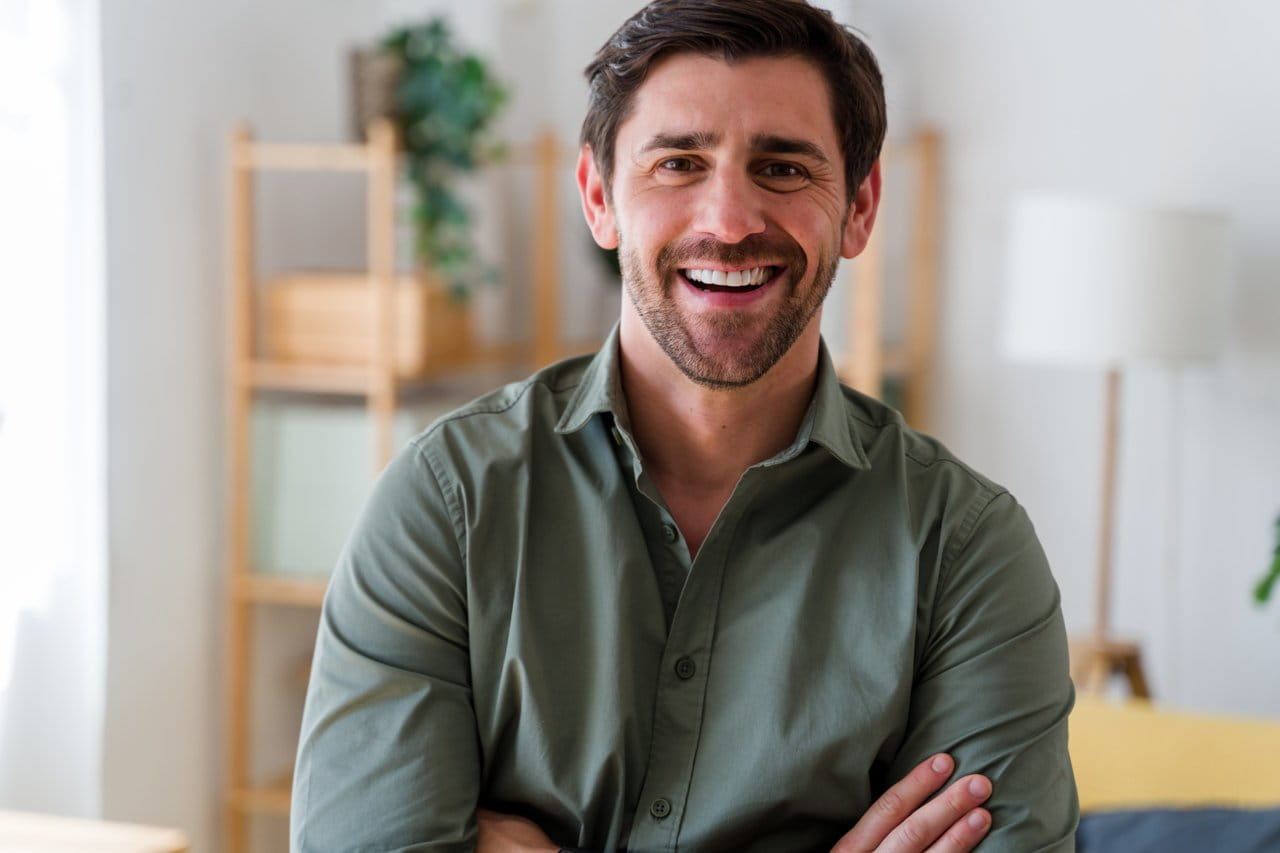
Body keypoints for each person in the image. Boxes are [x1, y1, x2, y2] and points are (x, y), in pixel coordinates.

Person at [290, 1, 1078, 850]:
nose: (729, 220)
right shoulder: (448, 504)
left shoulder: (965, 552)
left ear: (859, 206)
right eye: (678, 163)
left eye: (781, 168)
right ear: (599, 197)